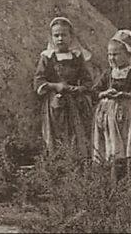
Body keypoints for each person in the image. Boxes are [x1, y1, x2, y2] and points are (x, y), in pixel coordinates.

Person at [93, 29, 131, 182]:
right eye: (109, 54)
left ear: (128, 55)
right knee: (111, 150)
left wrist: (126, 96)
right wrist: (104, 93)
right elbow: (94, 91)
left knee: (130, 148)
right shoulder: (108, 74)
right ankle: (111, 182)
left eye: (116, 54)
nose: (112, 58)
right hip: (109, 121)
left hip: (130, 120)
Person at [33, 17, 94, 157]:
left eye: (64, 35)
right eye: (56, 35)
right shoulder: (47, 57)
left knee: (77, 134)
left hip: (75, 103)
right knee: (57, 134)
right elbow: (38, 80)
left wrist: (80, 89)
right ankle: (58, 162)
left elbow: (87, 80)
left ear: (71, 37)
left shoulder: (77, 57)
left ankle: (78, 164)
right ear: (51, 37)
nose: (60, 38)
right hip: (55, 102)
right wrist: (55, 86)